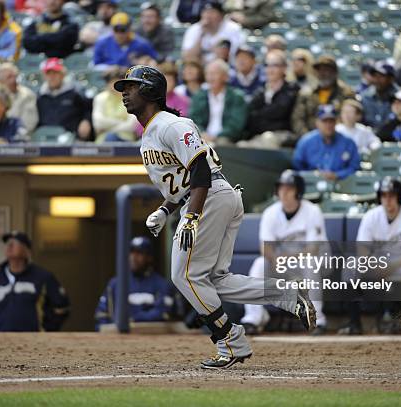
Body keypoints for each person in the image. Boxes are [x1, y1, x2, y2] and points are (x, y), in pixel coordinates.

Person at [114, 65, 315, 369]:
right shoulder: (151, 133)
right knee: (214, 281)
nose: (125, 93)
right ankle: (286, 295)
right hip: (213, 197)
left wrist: (192, 216)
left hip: (210, 198)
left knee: (184, 276)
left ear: (150, 90)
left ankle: (231, 341)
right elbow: (182, 181)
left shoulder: (170, 124)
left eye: (131, 87)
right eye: (124, 88)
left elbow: (201, 170)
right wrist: (165, 209)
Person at [241, 170, 329, 336]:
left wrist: (284, 258)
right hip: (283, 264)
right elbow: (265, 248)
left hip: (315, 264)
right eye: (281, 188)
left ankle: (317, 319)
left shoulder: (312, 211)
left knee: (310, 264)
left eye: (289, 188)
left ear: (299, 191)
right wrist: (276, 260)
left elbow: (313, 249)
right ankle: (253, 318)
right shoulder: (271, 213)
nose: (284, 192)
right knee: (259, 264)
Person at [340, 177, 401, 335]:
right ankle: (354, 323)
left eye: (392, 195)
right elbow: (362, 249)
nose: (387, 200)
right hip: (378, 265)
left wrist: (393, 266)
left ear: (399, 197)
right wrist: (375, 266)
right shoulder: (371, 216)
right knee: (351, 265)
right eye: (384, 195)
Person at [0, 232, 70, 332]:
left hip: (34, 339)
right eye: (8, 243)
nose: (10, 246)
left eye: (15, 243)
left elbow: (62, 307)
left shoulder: (43, 277)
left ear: (27, 251)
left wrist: (47, 329)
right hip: (2, 337)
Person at [94, 236, 174, 329]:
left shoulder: (161, 284)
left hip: (149, 337)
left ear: (149, 257)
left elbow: (163, 314)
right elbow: (101, 315)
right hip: (118, 339)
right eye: (131, 252)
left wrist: (133, 319)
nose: (133, 257)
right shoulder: (115, 284)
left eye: (139, 253)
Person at [242, 49, 299, 148]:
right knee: (240, 146)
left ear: (284, 68)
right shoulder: (260, 92)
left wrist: (261, 115)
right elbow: (251, 118)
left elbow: (280, 112)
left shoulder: (291, 90)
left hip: (284, 135)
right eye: (267, 65)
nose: (270, 69)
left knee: (267, 138)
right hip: (259, 136)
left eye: (275, 65)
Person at [293, 104, 360, 180]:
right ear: (317, 122)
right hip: (311, 186)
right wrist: (313, 175)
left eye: (331, 121)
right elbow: (297, 167)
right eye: (324, 121)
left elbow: (354, 167)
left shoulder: (348, 143)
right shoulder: (306, 141)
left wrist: (337, 175)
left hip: (342, 187)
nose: (328, 125)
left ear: (336, 122)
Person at [291, 55, 354, 137]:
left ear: (335, 72)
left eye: (327, 70)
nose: (322, 73)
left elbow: (350, 118)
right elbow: (297, 119)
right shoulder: (306, 93)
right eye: (319, 70)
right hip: (309, 137)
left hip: (337, 138)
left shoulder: (346, 93)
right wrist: (307, 137)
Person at [188, 58, 247, 145]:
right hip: (202, 137)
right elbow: (193, 120)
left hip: (225, 139)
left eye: (215, 73)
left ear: (225, 77)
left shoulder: (237, 97)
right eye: (208, 74)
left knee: (222, 143)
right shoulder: (199, 96)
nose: (211, 77)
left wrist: (216, 136)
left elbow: (236, 125)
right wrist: (202, 133)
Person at [36, 57, 93, 141]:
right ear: (44, 76)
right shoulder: (40, 96)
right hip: (45, 138)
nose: (52, 77)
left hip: (72, 138)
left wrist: (86, 121)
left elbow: (89, 108)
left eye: (55, 73)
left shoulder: (75, 92)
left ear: (62, 75)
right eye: (48, 73)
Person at [135, 61, 190, 137]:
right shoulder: (148, 99)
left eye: (170, 80)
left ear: (175, 81)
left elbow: (180, 125)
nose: (167, 84)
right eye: (165, 81)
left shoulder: (183, 101)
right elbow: (139, 129)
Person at [181, 1, 245, 64]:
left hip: (225, 68)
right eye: (205, 12)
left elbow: (230, 56)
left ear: (221, 16)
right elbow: (187, 57)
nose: (208, 16)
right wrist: (201, 35)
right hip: (200, 68)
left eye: (212, 12)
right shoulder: (195, 29)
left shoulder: (233, 28)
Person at [93, 12, 157, 69]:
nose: (120, 33)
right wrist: (110, 68)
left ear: (129, 29)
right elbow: (96, 65)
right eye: (116, 29)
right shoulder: (102, 43)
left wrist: (146, 61)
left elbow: (154, 60)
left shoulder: (141, 44)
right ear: (112, 30)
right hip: (109, 77)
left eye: (123, 30)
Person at [93, 67, 136, 142]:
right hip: (103, 142)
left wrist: (107, 128)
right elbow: (98, 123)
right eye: (110, 83)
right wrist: (121, 122)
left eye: (116, 83)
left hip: (126, 142)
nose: (112, 86)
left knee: (111, 136)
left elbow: (131, 126)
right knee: (110, 137)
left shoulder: (132, 99)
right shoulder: (100, 98)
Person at [361, 61, 401, 130]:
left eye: (381, 76)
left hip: (393, 137)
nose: (377, 79)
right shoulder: (365, 96)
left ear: (391, 78)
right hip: (370, 137)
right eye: (375, 75)